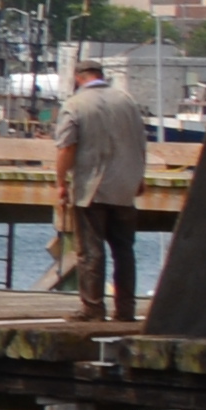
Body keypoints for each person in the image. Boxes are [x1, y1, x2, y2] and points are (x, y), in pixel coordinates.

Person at [52, 53, 154, 321]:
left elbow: (67, 147)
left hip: (92, 189)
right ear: (102, 76)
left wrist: (61, 183)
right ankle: (126, 310)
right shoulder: (127, 102)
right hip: (124, 187)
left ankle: (93, 308)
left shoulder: (75, 104)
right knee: (124, 250)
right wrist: (138, 177)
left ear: (79, 78)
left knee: (91, 251)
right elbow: (140, 142)